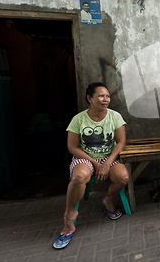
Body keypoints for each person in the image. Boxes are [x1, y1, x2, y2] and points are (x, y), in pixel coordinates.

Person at [53, 82, 129, 249]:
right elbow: (72, 147)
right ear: (89, 98)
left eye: (107, 96)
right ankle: (69, 216)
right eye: (101, 96)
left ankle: (108, 200)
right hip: (86, 158)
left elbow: (121, 142)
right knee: (80, 176)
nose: (105, 99)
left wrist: (107, 162)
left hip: (108, 157)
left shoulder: (115, 116)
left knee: (123, 176)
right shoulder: (78, 119)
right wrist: (95, 163)